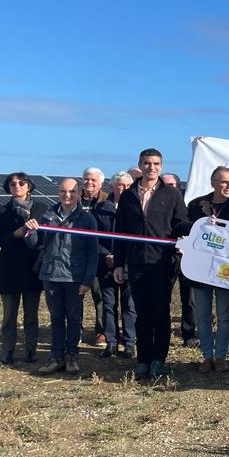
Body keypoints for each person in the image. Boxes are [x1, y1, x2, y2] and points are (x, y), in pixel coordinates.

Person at [113, 148, 188, 380]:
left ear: (161, 166)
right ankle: (143, 358)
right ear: (140, 164)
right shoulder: (128, 195)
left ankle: (158, 359)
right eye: (147, 163)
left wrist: (203, 226)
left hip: (162, 262)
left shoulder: (172, 194)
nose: (151, 167)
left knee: (160, 312)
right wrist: (118, 263)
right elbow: (121, 231)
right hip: (136, 262)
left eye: (156, 163)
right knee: (141, 313)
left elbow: (180, 223)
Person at [25, 177, 99, 375]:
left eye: (72, 192)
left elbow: (93, 253)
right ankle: (56, 356)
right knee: (56, 317)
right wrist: (30, 230)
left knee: (74, 318)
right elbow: (33, 244)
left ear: (79, 193)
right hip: (51, 274)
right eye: (63, 192)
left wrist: (87, 280)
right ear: (58, 192)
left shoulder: (87, 219)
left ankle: (72, 356)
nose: (67, 196)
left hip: (75, 276)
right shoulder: (47, 215)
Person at [182, 165, 229, 373]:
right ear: (213, 183)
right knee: (203, 316)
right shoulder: (197, 204)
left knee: (224, 315)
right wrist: (200, 225)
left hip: (226, 268)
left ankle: (221, 356)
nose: (228, 186)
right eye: (224, 182)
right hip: (201, 267)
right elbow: (184, 227)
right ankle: (207, 356)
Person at [0, 172, 47, 364]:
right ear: (8, 188)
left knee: (31, 314)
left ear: (29, 186)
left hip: (32, 268)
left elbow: (46, 239)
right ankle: (8, 350)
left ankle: (31, 349)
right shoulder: (1, 211)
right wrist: (14, 234)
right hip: (9, 268)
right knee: (9, 315)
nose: (17, 186)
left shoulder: (41, 209)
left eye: (21, 183)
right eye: (12, 184)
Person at [93, 171, 137, 359]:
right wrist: (106, 255)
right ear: (113, 186)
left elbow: (136, 239)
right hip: (105, 264)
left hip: (128, 264)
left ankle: (129, 343)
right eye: (121, 185)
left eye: (128, 185)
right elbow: (93, 237)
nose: (124, 188)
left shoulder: (136, 209)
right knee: (108, 305)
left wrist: (122, 258)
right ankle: (111, 342)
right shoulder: (100, 209)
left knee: (129, 305)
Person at [162, 171, 198, 348]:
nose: (167, 189)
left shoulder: (190, 205)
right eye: (164, 185)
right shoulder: (158, 205)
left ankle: (189, 334)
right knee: (162, 297)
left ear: (178, 186)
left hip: (188, 256)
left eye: (171, 185)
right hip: (166, 256)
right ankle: (161, 332)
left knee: (189, 298)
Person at [79, 166, 108, 347]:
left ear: (101, 183)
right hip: (76, 255)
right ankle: (76, 330)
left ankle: (101, 331)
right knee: (76, 296)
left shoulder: (107, 200)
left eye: (93, 180)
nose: (89, 183)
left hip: (98, 255)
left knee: (100, 295)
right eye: (86, 179)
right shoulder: (74, 197)